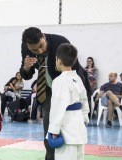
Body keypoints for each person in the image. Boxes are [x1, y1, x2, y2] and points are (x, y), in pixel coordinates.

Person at [19, 27, 91, 160]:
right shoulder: (26, 47)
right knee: (50, 131)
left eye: (41, 46)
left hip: (67, 90)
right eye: (35, 50)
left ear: (44, 37)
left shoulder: (60, 42)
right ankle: (50, 157)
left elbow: (76, 74)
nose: (39, 51)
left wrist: (85, 113)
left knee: (61, 132)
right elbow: (26, 75)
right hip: (48, 89)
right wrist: (26, 67)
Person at [48, 44, 89, 160]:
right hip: (79, 125)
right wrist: (85, 117)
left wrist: (54, 130)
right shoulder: (77, 78)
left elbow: (58, 106)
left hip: (66, 129)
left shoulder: (59, 81)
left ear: (59, 61)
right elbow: (85, 100)